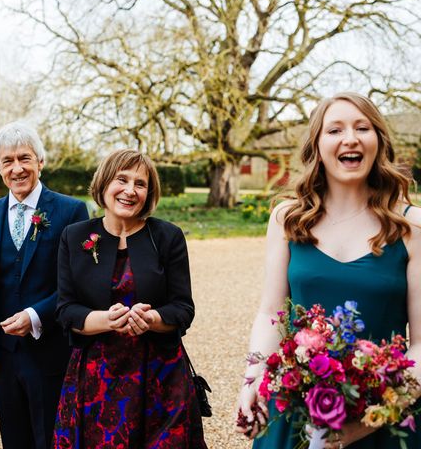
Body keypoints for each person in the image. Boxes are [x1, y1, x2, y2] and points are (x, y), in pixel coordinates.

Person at [236, 92, 421, 449]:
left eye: (362, 128)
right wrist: (252, 380)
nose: (350, 138)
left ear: (378, 141)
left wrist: (367, 423)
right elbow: (269, 313)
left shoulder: (412, 226)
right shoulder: (287, 220)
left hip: (386, 421)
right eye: (335, 130)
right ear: (318, 146)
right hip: (296, 417)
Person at [53, 149, 206, 448]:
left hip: (161, 376)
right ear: (104, 183)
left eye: (140, 183)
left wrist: (151, 319)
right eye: (121, 179)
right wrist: (106, 320)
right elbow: (66, 309)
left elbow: (183, 308)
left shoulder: (168, 236)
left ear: (149, 192)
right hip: (97, 379)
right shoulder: (74, 236)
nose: (130, 190)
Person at [0, 122, 89, 449]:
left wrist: (37, 314)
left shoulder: (71, 210)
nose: (17, 168)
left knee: (52, 437)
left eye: (25, 158)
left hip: (51, 350)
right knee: (14, 438)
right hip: (3, 355)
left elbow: (78, 281)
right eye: (8, 161)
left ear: (40, 162)